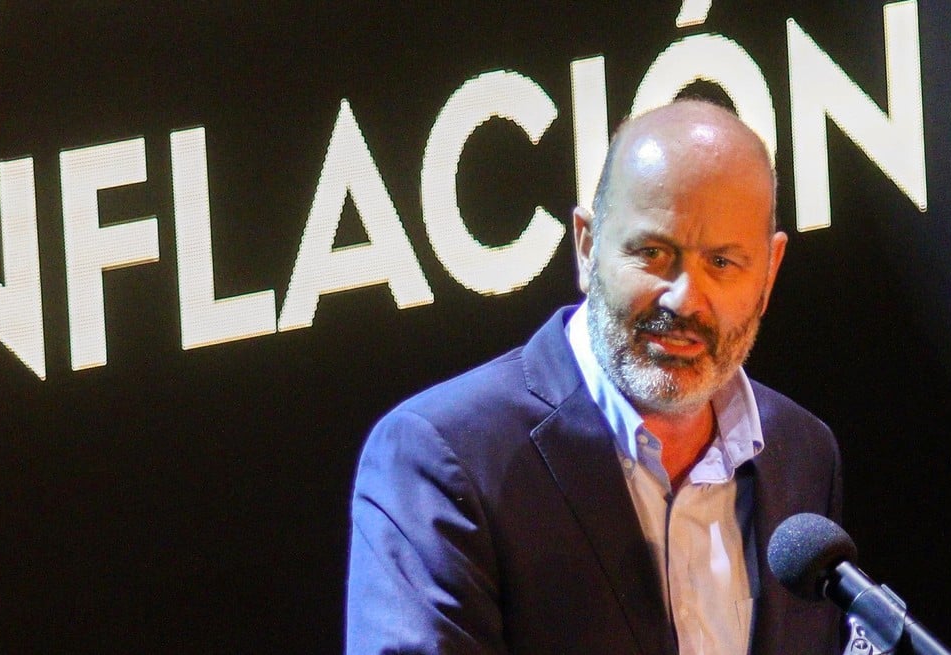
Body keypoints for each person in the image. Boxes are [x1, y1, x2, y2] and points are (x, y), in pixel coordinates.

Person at [345, 99, 842, 654]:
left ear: (769, 273)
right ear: (586, 246)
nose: (685, 299)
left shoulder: (800, 453)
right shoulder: (442, 456)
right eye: (653, 252)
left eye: (722, 263)